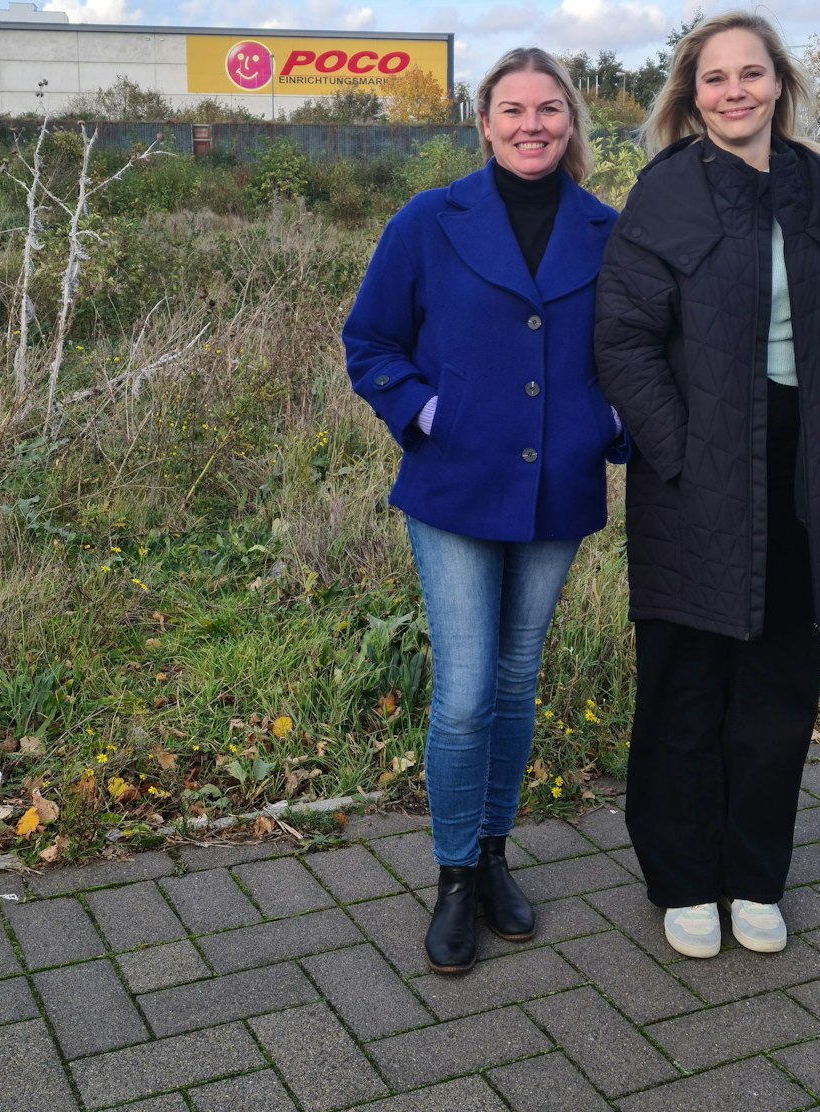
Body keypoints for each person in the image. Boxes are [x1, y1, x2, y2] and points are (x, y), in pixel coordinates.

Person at [593, 11, 820, 959]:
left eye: (751, 74)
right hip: (694, 472)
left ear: (780, 84)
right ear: (692, 96)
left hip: (805, 467)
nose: (735, 91)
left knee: (779, 686)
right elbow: (621, 337)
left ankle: (756, 876)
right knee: (686, 683)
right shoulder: (666, 193)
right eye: (715, 78)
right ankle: (685, 878)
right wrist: (680, 451)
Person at [343, 48, 626, 974]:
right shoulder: (430, 219)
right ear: (485, 121)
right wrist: (433, 416)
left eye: (549, 108)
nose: (531, 124)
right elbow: (371, 340)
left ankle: (497, 854)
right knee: (465, 693)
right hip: (456, 486)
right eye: (513, 109)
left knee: (514, 680)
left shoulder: (608, 230)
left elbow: (642, 348)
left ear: (572, 120)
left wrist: (605, 426)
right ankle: (456, 874)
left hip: (558, 487)